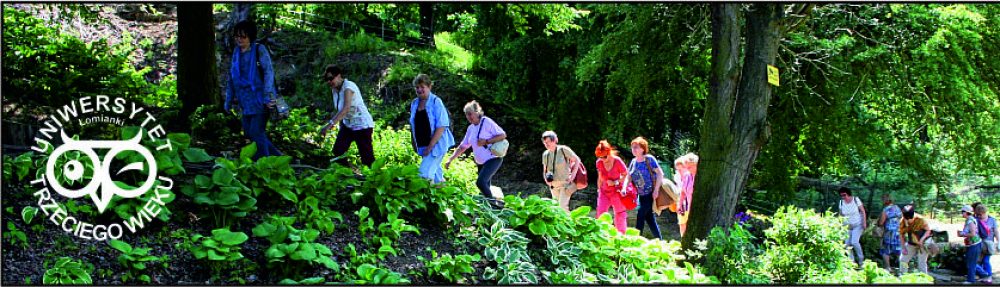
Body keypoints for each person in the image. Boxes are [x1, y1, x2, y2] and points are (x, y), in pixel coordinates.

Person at [224, 20, 282, 160]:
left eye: (243, 36)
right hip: (245, 101)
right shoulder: (236, 53)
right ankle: (279, 158)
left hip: (260, 99)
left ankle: (263, 163)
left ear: (250, 37)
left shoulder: (259, 50)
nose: (239, 39)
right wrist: (228, 100)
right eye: (237, 36)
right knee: (250, 132)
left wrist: (268, 95)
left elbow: (268, 72)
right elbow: (232, 77)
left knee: (257, 131)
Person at [445, 101, 507, 202]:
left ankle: (493, 205)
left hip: (493, 158)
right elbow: (463, 146)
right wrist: (450, 159)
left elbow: (502, 135)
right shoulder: (470, 128)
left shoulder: (486, 121)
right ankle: (491, 208)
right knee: (485, 187)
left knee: (480, 183)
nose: (468, 116)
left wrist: (487, 141)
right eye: (466, 114)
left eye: (470, 113)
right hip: (481, 162)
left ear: (477, 112)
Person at [319, 65, 375, 167]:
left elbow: (346, 108)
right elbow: (339, 110)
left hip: (361, 125)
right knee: (338, 151)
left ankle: (375, 178)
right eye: (326, 79)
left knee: (367, 157)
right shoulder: (334, 90)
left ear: (339, 76)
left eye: (331, 78)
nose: (329, 82)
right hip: (348, 125)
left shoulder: (348, 87)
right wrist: (337, 122)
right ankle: (347, 173)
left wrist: (330, 125)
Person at [408, 74, 455, 183]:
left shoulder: (436, 102)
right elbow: (413, 125)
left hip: (436, 145)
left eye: (422, 87)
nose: (419, 90)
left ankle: (425, 198)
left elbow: (441, 126)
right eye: (417, 87)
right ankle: (447, 196)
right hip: (423, 145)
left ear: (429, 87)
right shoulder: (414, 103)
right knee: (437, 178)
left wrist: (430, 147)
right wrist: (414, 143)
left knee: (424, 175)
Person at [622, 137, 664, 239]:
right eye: (632, 147)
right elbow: (629, 176)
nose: (633, 149)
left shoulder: (649, 159)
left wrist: (656, 190)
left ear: (643, 149)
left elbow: (660, 174)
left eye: (636, 147)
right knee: (650, 219)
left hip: (650, 194)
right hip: (641, 195)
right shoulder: (633, 161)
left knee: (640, 215)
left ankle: (636, 240)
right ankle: (660, 241)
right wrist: (624, 187)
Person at [593, 140, 631, 234]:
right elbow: (600, 177)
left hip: (616, 191)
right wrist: (599, 190)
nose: (603, 159)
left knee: (620, 213)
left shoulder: (617, 161)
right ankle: (601, 234)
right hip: (604, 191)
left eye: (605, 156)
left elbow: (626, 175)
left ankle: (621, 235)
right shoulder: (599, 162)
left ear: (609, 152)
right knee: (601, 213)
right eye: (600, 157)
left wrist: (615, 182)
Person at [540, 131, 581, 212]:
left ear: (555, 140)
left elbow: (577, 160)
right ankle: (566, 223)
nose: (546, 144)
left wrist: (572, 176)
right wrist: (546, 180)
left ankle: (570, 224)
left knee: (562, 207)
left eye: (548, 142)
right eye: (545, 142)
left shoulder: (563, 149)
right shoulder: (545, 154)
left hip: (565, 184)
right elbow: (545, 169)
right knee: (556, 208)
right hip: (553, 186)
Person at [898, 204, 932, 275]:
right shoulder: (902, 221)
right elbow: (901, 234)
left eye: (910, 218)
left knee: (921, 263)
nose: (908, 220)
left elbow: (928, 230)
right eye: (906, 218)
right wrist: (903, 248)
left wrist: (922, 240)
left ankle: (924, 280)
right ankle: (902, 276)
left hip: (923, 244)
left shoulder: (920, 219)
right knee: (903, 259)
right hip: (911, 243)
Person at [838, 186, 867, 267]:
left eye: (844, 195)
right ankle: (852, 262)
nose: (843, 197)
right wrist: (839, 225)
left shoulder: (856, 200)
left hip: (857, 225)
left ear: (848, 194)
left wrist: (864, 222)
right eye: (842, 196)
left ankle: (861, 261)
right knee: (847, 244)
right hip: (847, 226)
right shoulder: (841, 202)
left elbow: (863, 211)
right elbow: (840, 214)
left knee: (854, 242)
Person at [878, 193, 903, 272]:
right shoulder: (897, 208)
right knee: (899, 251)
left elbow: (881, 222)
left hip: (889, 233)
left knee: (886, 250)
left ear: (884, 201)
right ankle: (902, 269)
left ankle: (888, 268)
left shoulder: (885, 210)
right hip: (898, 233)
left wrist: (878, 223)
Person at [675, 153, 698, 237]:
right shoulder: (687, 175)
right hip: (689, 207)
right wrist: (679, 204)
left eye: (690, 167)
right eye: (687, 167)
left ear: (696, 164)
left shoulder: (700, 177)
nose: (688, 169)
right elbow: (683, 192)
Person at [959, 204, 983, 284]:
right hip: (971, 244)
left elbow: (972, 234)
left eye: (962, 212)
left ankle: (971, 280)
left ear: (966, 212)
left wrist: (962, 234)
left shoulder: (970, 221)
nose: (961, 213)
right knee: (971, 261)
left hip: (975, 244)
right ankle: (983, 275)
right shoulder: (969, 219)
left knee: (971, 263)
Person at [974, 204, 997, 284]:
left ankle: (989, 276)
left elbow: (996, 231)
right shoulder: (975, 220)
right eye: (977, 214)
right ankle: (983, 276)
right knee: (978, 261)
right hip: (978, 243)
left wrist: (999, 241)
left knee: (986, 261)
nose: (979, 216)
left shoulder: (992, 220)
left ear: (985, 212)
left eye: (981, 214)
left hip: (989, 245)